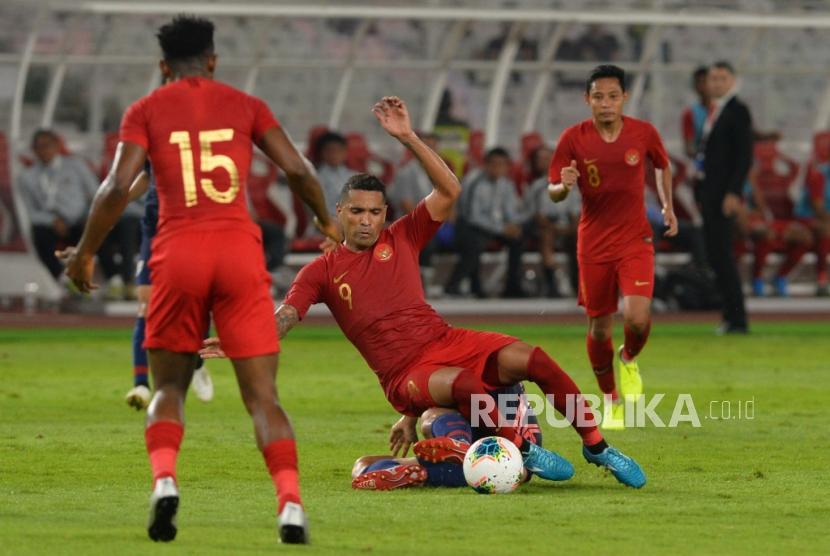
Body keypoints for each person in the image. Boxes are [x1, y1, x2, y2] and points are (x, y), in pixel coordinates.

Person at [203, 96, 647, 489]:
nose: (365, 220)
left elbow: (449, 189)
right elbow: (286, 315)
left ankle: (597, 447)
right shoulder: (320, 272)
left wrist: (408, 136)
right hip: (405, 372)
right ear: (338, 213)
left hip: (444, 339)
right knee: (467, 385)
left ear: (384, 214)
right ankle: (522, 451)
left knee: (534, 359)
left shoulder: (402, 236)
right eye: (355, 211)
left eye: (374, 212)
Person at [61, 16, 339, 544]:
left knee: (168, 386)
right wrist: (325, 220)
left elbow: (117, 186)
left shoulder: (144, 110)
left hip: (178, 252)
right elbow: (299, 170)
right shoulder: (245, 105)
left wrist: (84, 254)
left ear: (163, 66)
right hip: (237, 252)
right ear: (213, 59)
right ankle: (290, 507)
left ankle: (165, 481)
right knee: (263, 399)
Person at [548, 65, 677, 429]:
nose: (606, 103)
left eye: (613, 96)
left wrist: (667, 205)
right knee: (600, 327)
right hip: (594, 244)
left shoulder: (643, 133)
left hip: (635, 239)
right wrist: (564, 187)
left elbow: (662, 166)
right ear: (587, 99)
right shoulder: (573, 139)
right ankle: (611, 399)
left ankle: (630, 357)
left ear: (624, 98)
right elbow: (553, 192)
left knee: (637, 318)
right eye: (598, 97)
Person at [123, 166, 214, 411]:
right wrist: (122, 197)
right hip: (156, 228)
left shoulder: (202, 137)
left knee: (198, 301)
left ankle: (197, 364)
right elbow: (146, 173)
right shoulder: (154, 131)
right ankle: (141, 384)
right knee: (147, 303)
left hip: (195, 226)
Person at [351, 383, 542, 490]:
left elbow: (431, 389)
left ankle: (452, 453)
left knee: (431, 415)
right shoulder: (481, 356)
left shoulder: (454, 368)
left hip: (512, 446)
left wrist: (409, 417)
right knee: (363, 465)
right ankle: (452, 456)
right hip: (514, 451)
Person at [695, 61, 753, 334]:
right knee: (715, 256)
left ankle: (737, 319)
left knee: (722, 255)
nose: (716, 83)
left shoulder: (737, 111)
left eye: (722, 78)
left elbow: (744, 156)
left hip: (722, 195)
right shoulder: (714, 112)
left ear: (733, 80)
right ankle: (730, 315)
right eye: (712, 78)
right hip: (710, 193)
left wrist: (734, 192)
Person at [445, 147, 527, 298]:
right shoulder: (474, 182)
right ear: (486, 165)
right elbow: (472, 216)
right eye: (494, 164)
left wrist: (514, 226)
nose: (498, 168)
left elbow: (511, 211)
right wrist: (502, 229)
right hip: (469, 226)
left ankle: (512, 286)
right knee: (475, 240)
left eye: (502, 164)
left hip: (494, 226)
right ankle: (456, 285)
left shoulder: (506, 184)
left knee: (518, 239)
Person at [17, 129, 97, 280]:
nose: (44, 150)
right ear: (33, 150)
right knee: (39, 234)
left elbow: (97, 194)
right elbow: (29, 212)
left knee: (99, 228)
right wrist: (51, 220)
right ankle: (61, 278)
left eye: (47, 145)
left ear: (57, 146)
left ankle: (112, 277)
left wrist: (90, 216)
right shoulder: (27, 177)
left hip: (79, 218)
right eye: (38, 147)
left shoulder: (76, 166)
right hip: (50, 222)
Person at [523, 145, 580, 298]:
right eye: (540, 159)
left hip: (565, 226)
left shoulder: (570, 185)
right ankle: (551, 284)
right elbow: (537, 216)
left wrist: (570, 229)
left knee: (580, 237)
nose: (544, 162)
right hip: (542, 227)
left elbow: (576, 215)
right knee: (546, 234)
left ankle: (580, 284)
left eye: (547, 158)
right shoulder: (536, 187)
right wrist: (554, 228)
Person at [796, 152, 830, 297]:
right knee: (824, 231)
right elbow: (817, 207)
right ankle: (822, 279)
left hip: (825, 218)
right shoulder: (819, 174)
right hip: (807, 217)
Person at [314, 131, 356, 217]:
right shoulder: (315, 178)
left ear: (345, 152)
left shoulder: (355, 176)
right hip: (326, 224)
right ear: (322, 152)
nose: (334, 154)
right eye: (330, 150)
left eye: (338, 150)